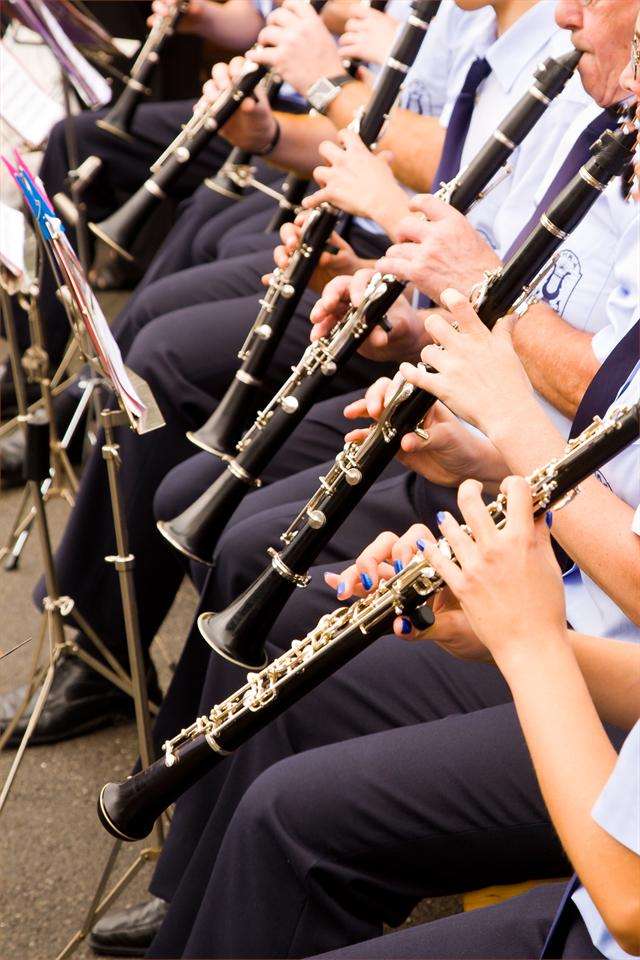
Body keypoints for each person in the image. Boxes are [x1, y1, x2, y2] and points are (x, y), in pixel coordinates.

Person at [88, 1, 640, 953]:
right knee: (265, 608)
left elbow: (628, 906)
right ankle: (192, 898)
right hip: (549, 554)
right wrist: (470, 421)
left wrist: (527, 623)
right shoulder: (602, 130)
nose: (575, 26)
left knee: (291, 794)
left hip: (583, 642)